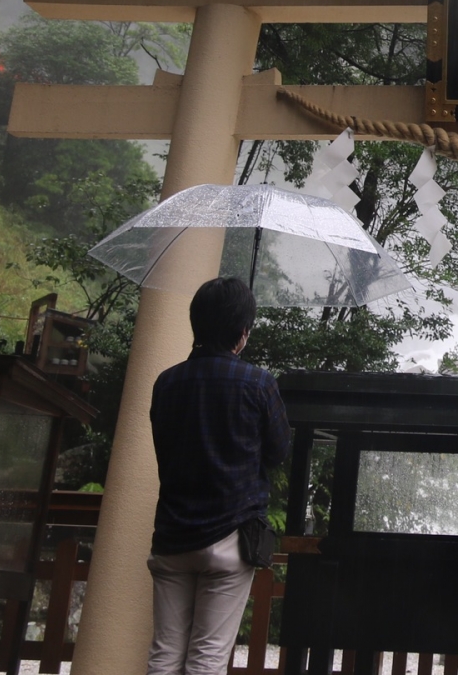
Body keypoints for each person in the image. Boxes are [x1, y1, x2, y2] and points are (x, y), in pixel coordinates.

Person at [147, 277, 290, 675]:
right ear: (242, 334)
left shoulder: (166, 383)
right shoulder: (260, 384)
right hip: (231, 537)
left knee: (164, 653)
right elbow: (279, 452)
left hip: (173, 537)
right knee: (207, 657)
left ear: (196, 324)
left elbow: (164, 452)